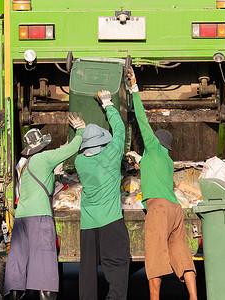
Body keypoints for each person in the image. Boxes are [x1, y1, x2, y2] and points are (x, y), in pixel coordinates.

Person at [125, 68, 198, 300]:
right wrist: (139, 161)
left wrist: (134, 87)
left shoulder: (153, 148)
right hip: (175, 211)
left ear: (156, 143)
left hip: (157, 211)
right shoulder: (166, 160)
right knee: (181, 254)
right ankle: (194, 298)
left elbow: (142, 120)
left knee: (155, 257)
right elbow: (149, 169)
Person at [4, 112, 86, 300]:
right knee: (45, 264)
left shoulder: (22, 163)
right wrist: (80, 130)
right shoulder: (45, 158)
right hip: (40, 217)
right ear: (41, 146)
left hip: (21, 218)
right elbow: (72, 148)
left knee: (18, 262)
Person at [75, 90, 130, 300]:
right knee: (117, 264)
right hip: (111, 221)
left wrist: (81, 130)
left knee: (87, 271)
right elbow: (119, 129)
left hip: (88, 224)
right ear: (102, 143)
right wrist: (107, 104)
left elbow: (83, 149)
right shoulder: (112, 154)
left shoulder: (80, 162)